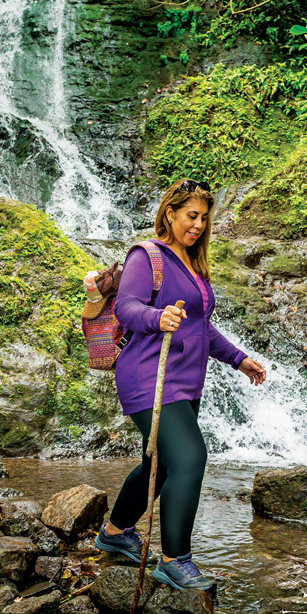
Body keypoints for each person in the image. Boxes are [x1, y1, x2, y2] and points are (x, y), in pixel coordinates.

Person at [94, 178, 267, 590]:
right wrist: (158, 318)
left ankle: (115, 534)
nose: (198, 225)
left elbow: (202, 329)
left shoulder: (194, 265)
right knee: (190, 459)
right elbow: (127, 306)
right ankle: (174, 560)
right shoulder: (147, 255)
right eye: (192, 216)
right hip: (147, 375)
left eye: (204, 218)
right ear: (170, 213)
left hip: (185, 383)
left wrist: (240, 359)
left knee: (161, 464)